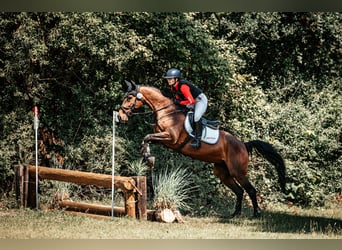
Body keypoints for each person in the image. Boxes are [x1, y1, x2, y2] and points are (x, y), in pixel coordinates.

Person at [164, 68, 208, 149]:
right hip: (189, 101)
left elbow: (191, 101)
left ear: (176, 79)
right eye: (168, 79)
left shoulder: (183, 86)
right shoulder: (173, 87)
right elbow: (179, 98)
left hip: (199, 100)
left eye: (170, 79)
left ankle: (198, 139)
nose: (168, 81)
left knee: (196, 117)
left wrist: (179, 102)